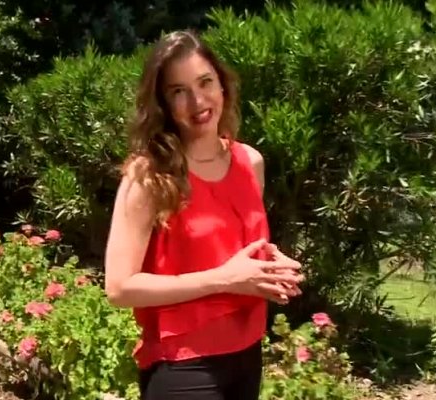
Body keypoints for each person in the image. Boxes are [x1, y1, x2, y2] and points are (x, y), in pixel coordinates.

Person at [104, 29, 304, 400]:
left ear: (223, 84)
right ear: (163, 104)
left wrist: (271, 267)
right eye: (178, 91)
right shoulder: (149, 177)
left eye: (205, 82)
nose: (197, 101)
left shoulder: (250, 162)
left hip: (248, 353)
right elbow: (119, 288)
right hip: (184, 367)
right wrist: (224, 279)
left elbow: (231, 250)